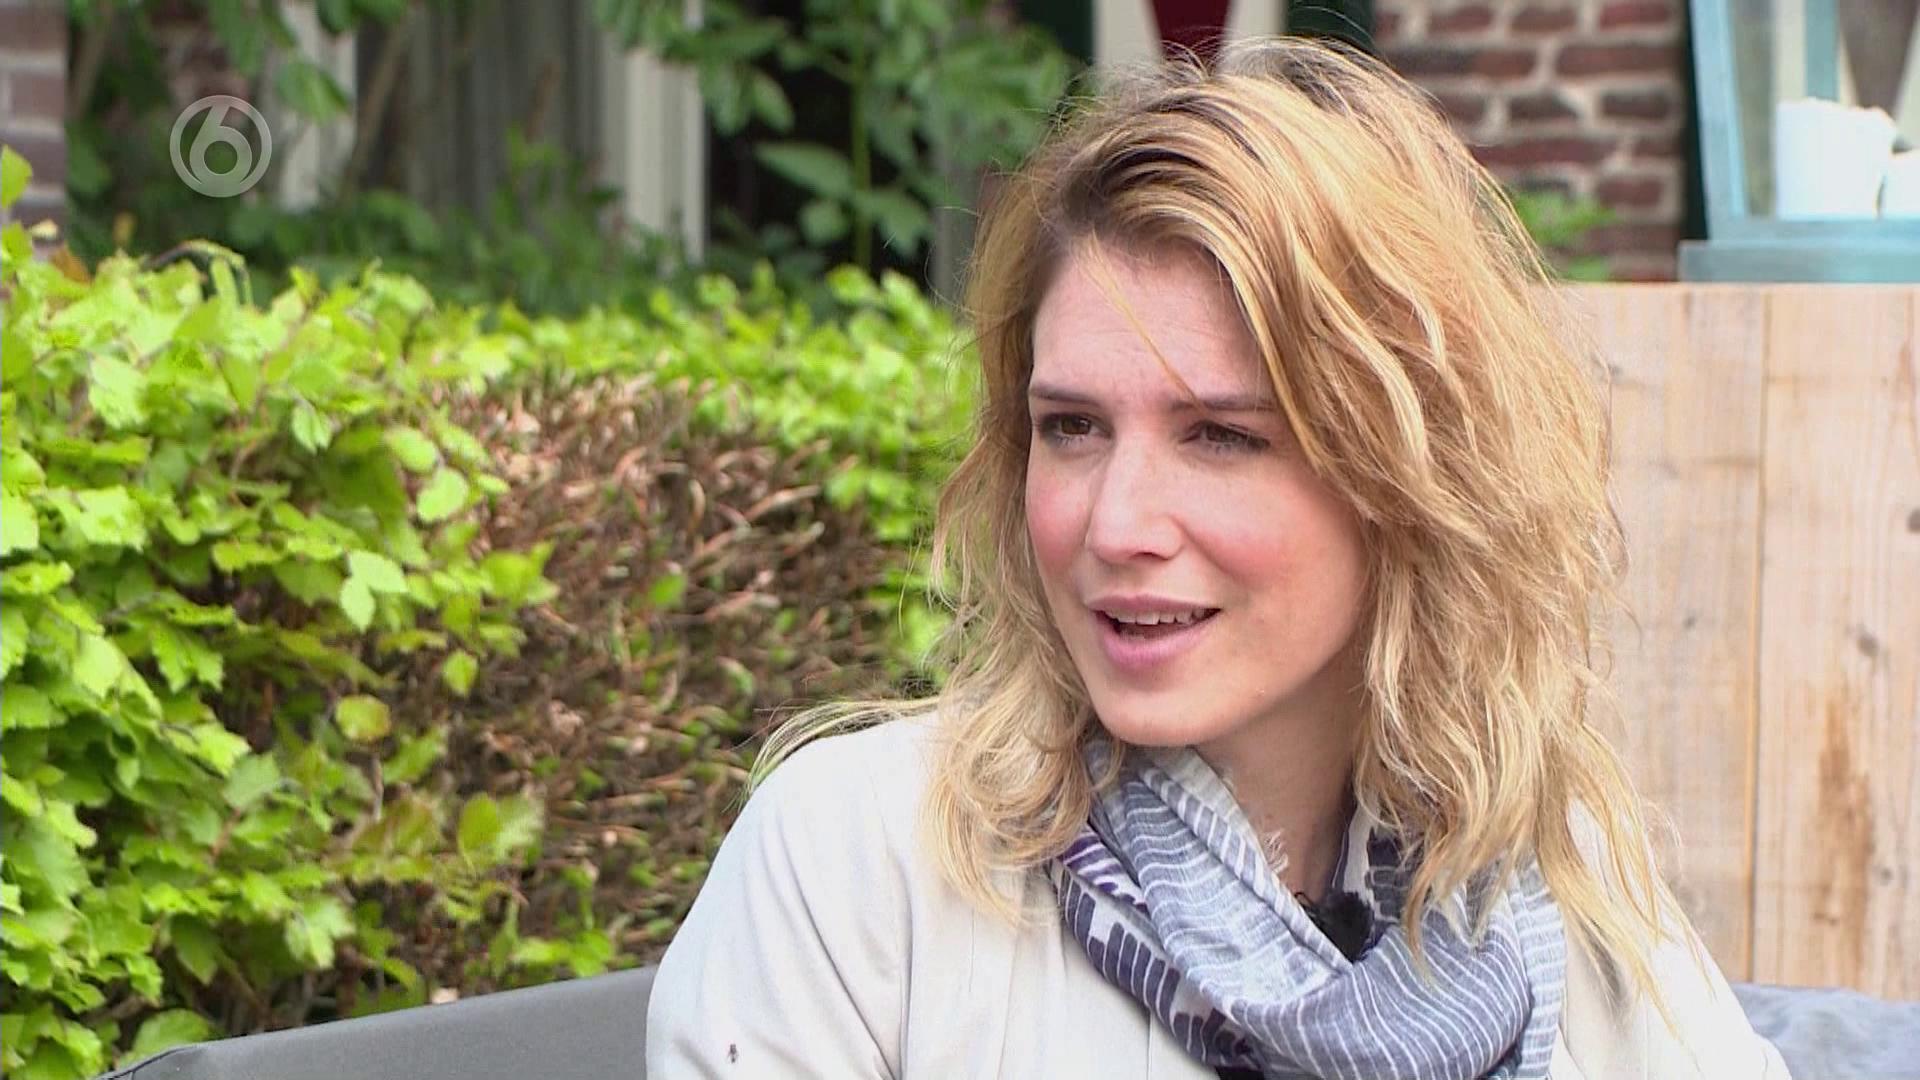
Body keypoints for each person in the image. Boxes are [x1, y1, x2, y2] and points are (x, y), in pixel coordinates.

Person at [645, 37, 1790, 1080]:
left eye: (1220, 437)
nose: (1116, 524)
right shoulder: (860, 865)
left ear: (1406, 480)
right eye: (1072, 427)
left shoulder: (1543, 876)